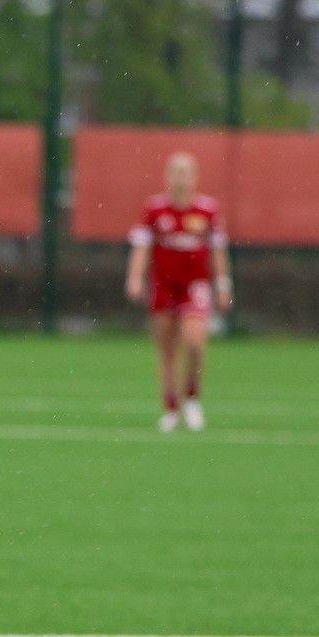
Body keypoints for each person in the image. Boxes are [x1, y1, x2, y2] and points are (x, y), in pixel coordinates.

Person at [125, 151, 232, 432]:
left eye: (186, 173)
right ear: (167, 176)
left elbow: (218, 251)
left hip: (195, 286)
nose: (180, 179)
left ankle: (192, 397)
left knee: (195, 342)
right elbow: (142, 247)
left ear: (195, 177)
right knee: (167, 349)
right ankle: (171, 408)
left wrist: (223, 285)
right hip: (164, 285)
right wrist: (135, 277)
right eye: (175, 172)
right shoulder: (155, 209)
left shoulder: (208, 210)